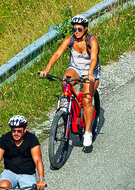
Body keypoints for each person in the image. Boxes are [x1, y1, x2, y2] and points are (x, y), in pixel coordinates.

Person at [39, 14, 100, 147]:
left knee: (87, 100)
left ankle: (88, 131)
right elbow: (57, 53)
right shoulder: (70, 39)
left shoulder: (92, 41)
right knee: (65, 82)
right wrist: (47, 68)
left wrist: (90, 73)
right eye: (74, 29)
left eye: (79, 29)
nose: (76, 32)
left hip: (91, 71)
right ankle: (67, 107)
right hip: (75, 68)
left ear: (85, 29)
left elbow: (94, 58)